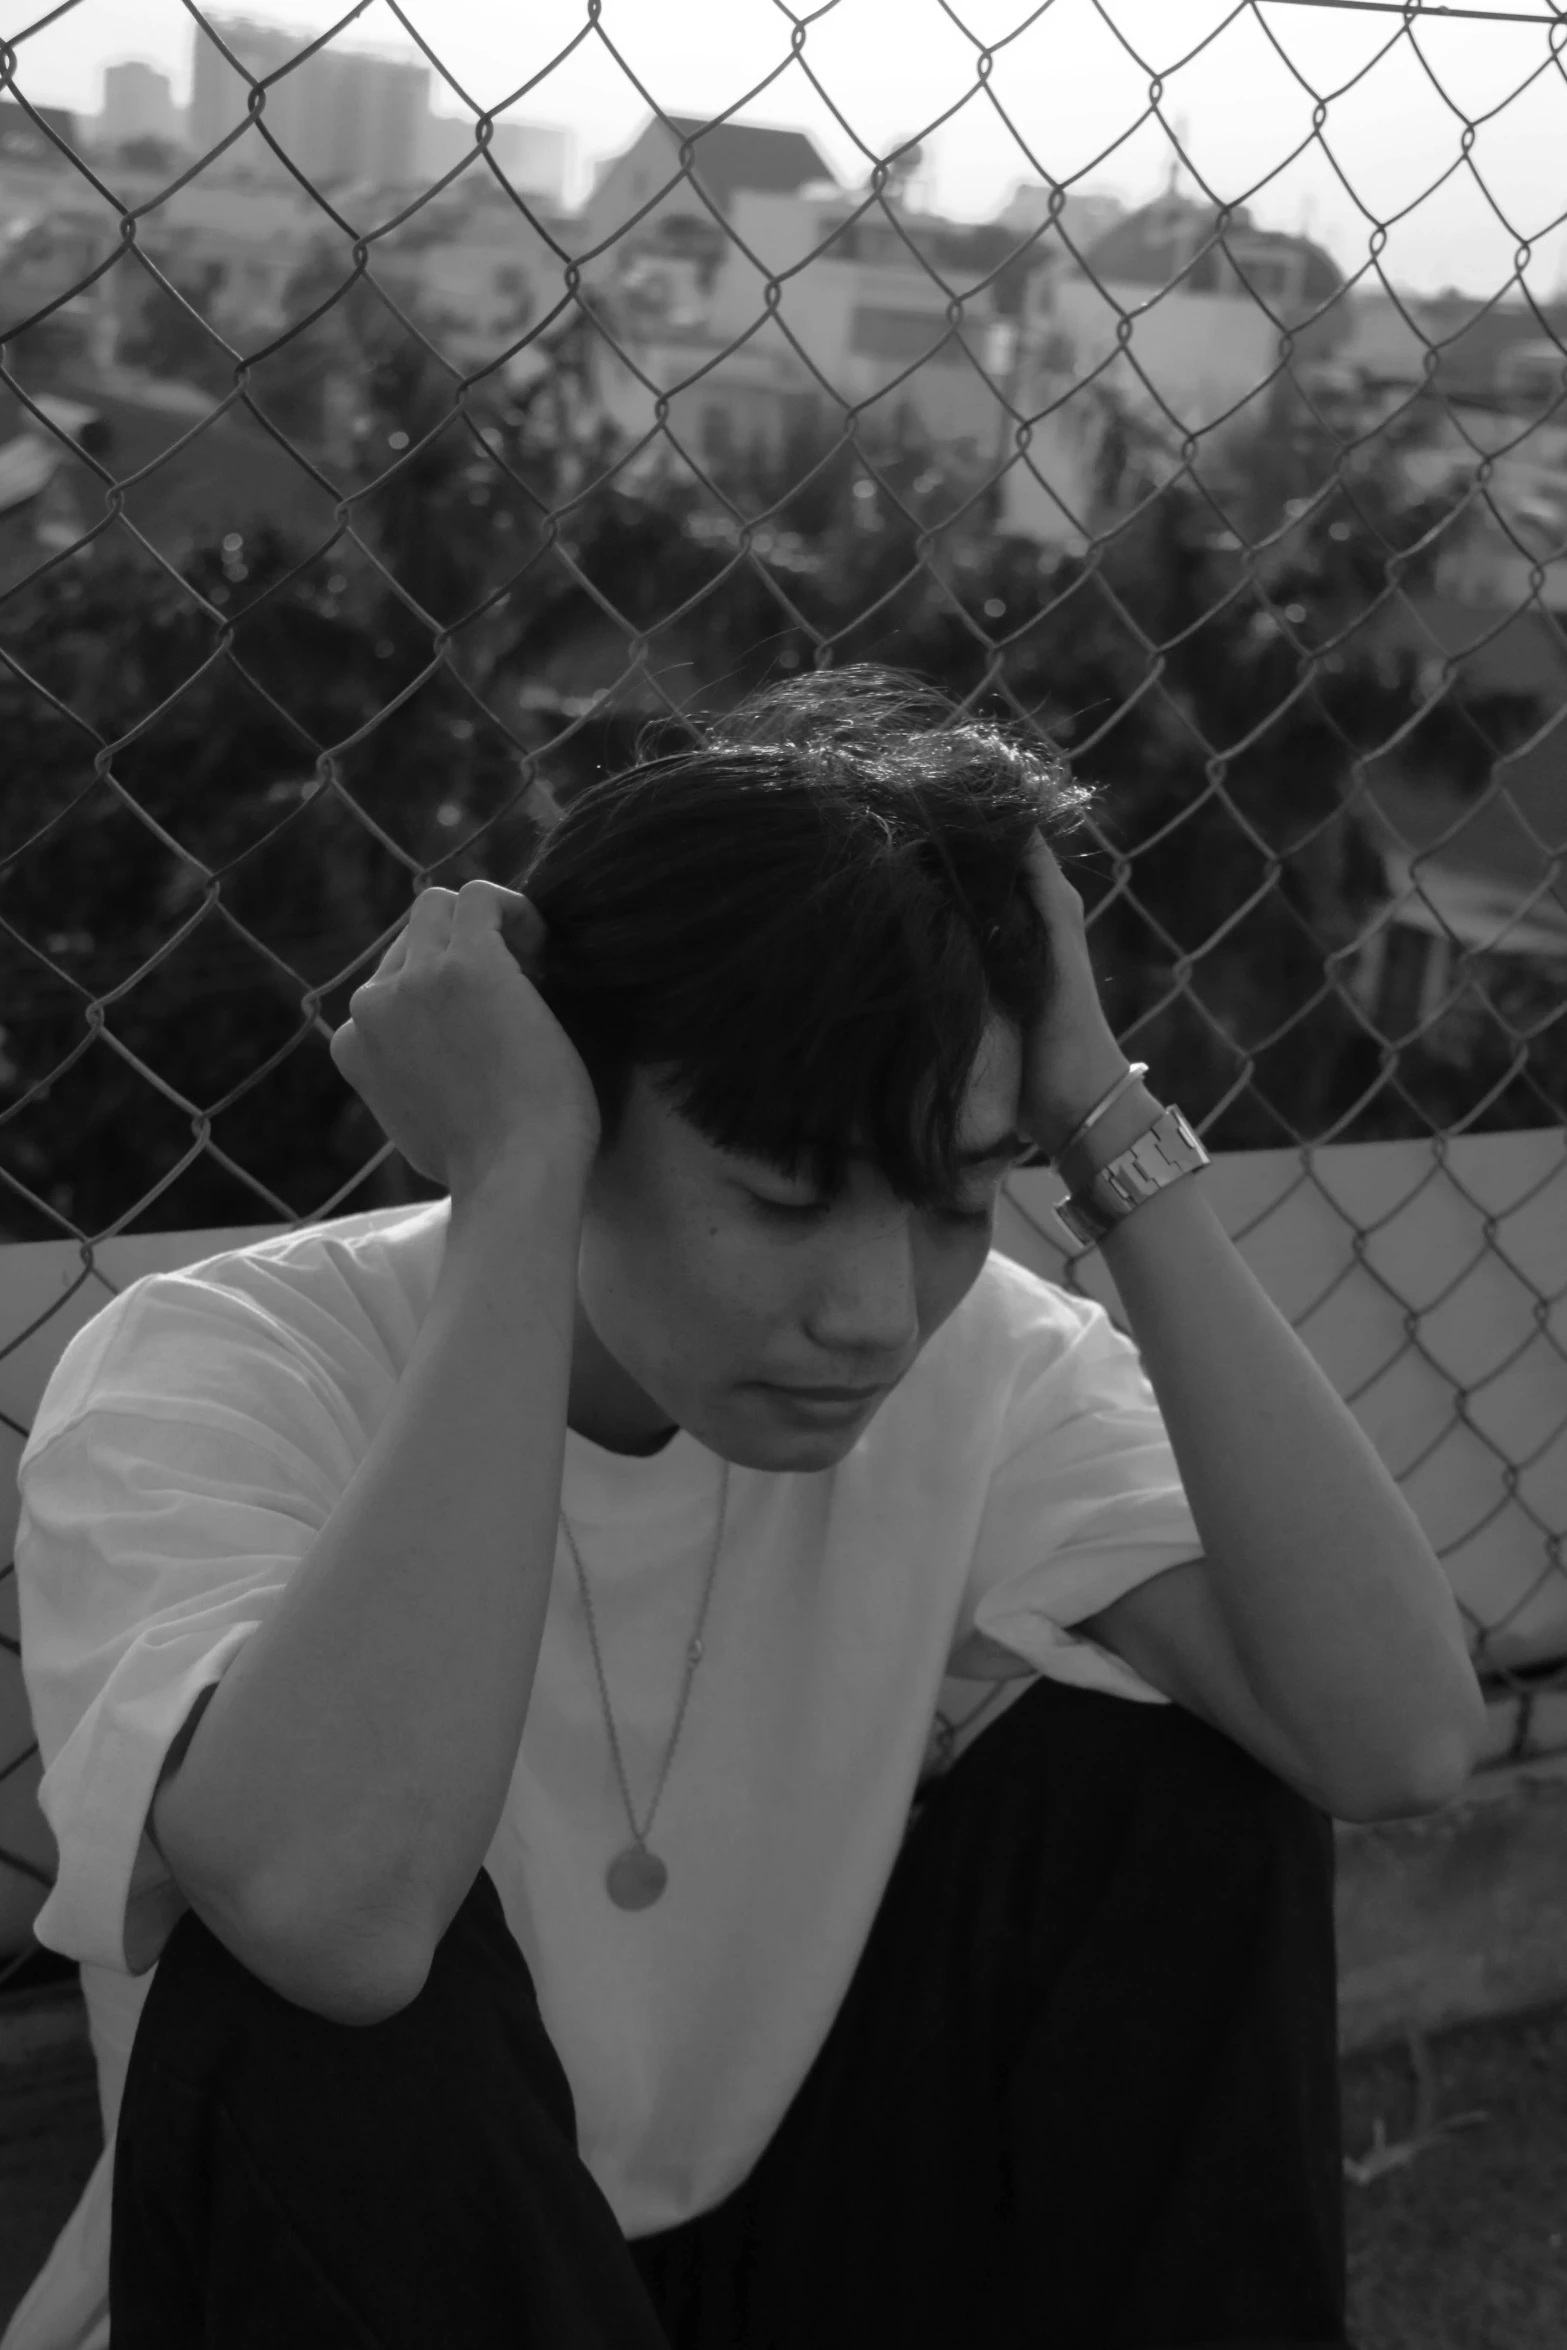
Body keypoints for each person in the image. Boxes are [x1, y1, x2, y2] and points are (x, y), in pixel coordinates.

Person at [7, 666, 1482, 2350]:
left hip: (784, 2243)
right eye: (785, 1198)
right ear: (566, 1098)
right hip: (381, 2275)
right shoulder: (216, 1366)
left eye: (949, 1200)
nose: (870, 1309)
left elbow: (1395, 1738)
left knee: (1178, 1782)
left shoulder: (974, 1365)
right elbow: (330, 1921)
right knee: (311, 1974)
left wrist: (1098, 1119)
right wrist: (509, 1189)